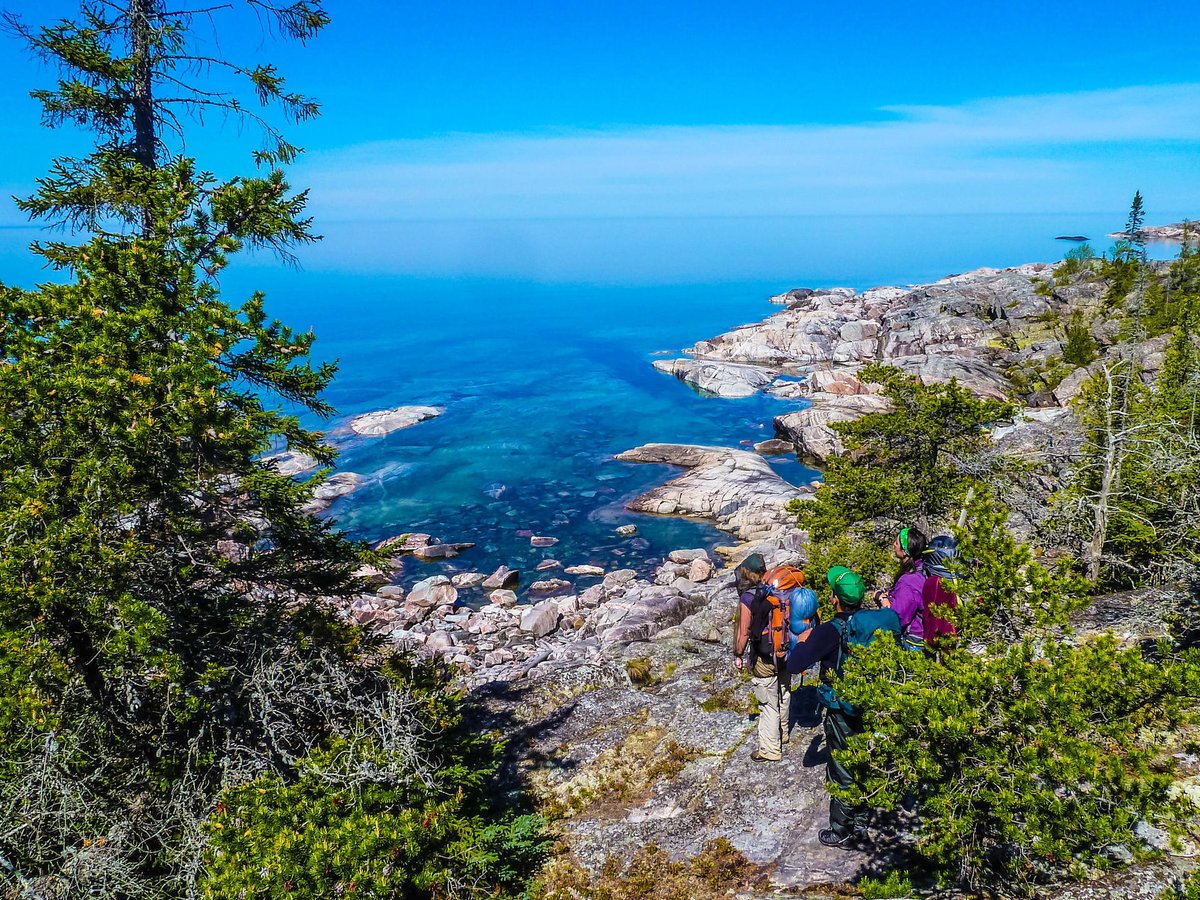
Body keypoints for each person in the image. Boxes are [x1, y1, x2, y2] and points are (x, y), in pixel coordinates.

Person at [787, 566, 900, 849]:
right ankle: (861, 822)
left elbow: (795, 665)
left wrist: (803, 641)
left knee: (842, 770)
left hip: (842, 710)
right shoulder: (873, 623)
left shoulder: (829, 630)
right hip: (872, 704)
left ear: (835, 599)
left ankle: (841, 831)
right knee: (866, 762)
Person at [733, 553, 792, 762]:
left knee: (768, 703)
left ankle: (770, 749)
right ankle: (783, 733)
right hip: (785, 651)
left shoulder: (749, 597)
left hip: (764, 656)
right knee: (784, 692)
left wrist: (738, 654)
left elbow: (744, 632)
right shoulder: (780, 590)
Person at [878, 526, 928, 650]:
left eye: (896, 543)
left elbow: (897, 618)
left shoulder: (908, 581)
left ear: (905, 551)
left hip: (914, 641)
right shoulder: (922, 568)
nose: (894, 545)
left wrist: (882, 599)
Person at [921, 534, 960, 656]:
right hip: (958, 636)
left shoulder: (932, 583)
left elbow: (927, 614)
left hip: (935, 642)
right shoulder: (961, 581)